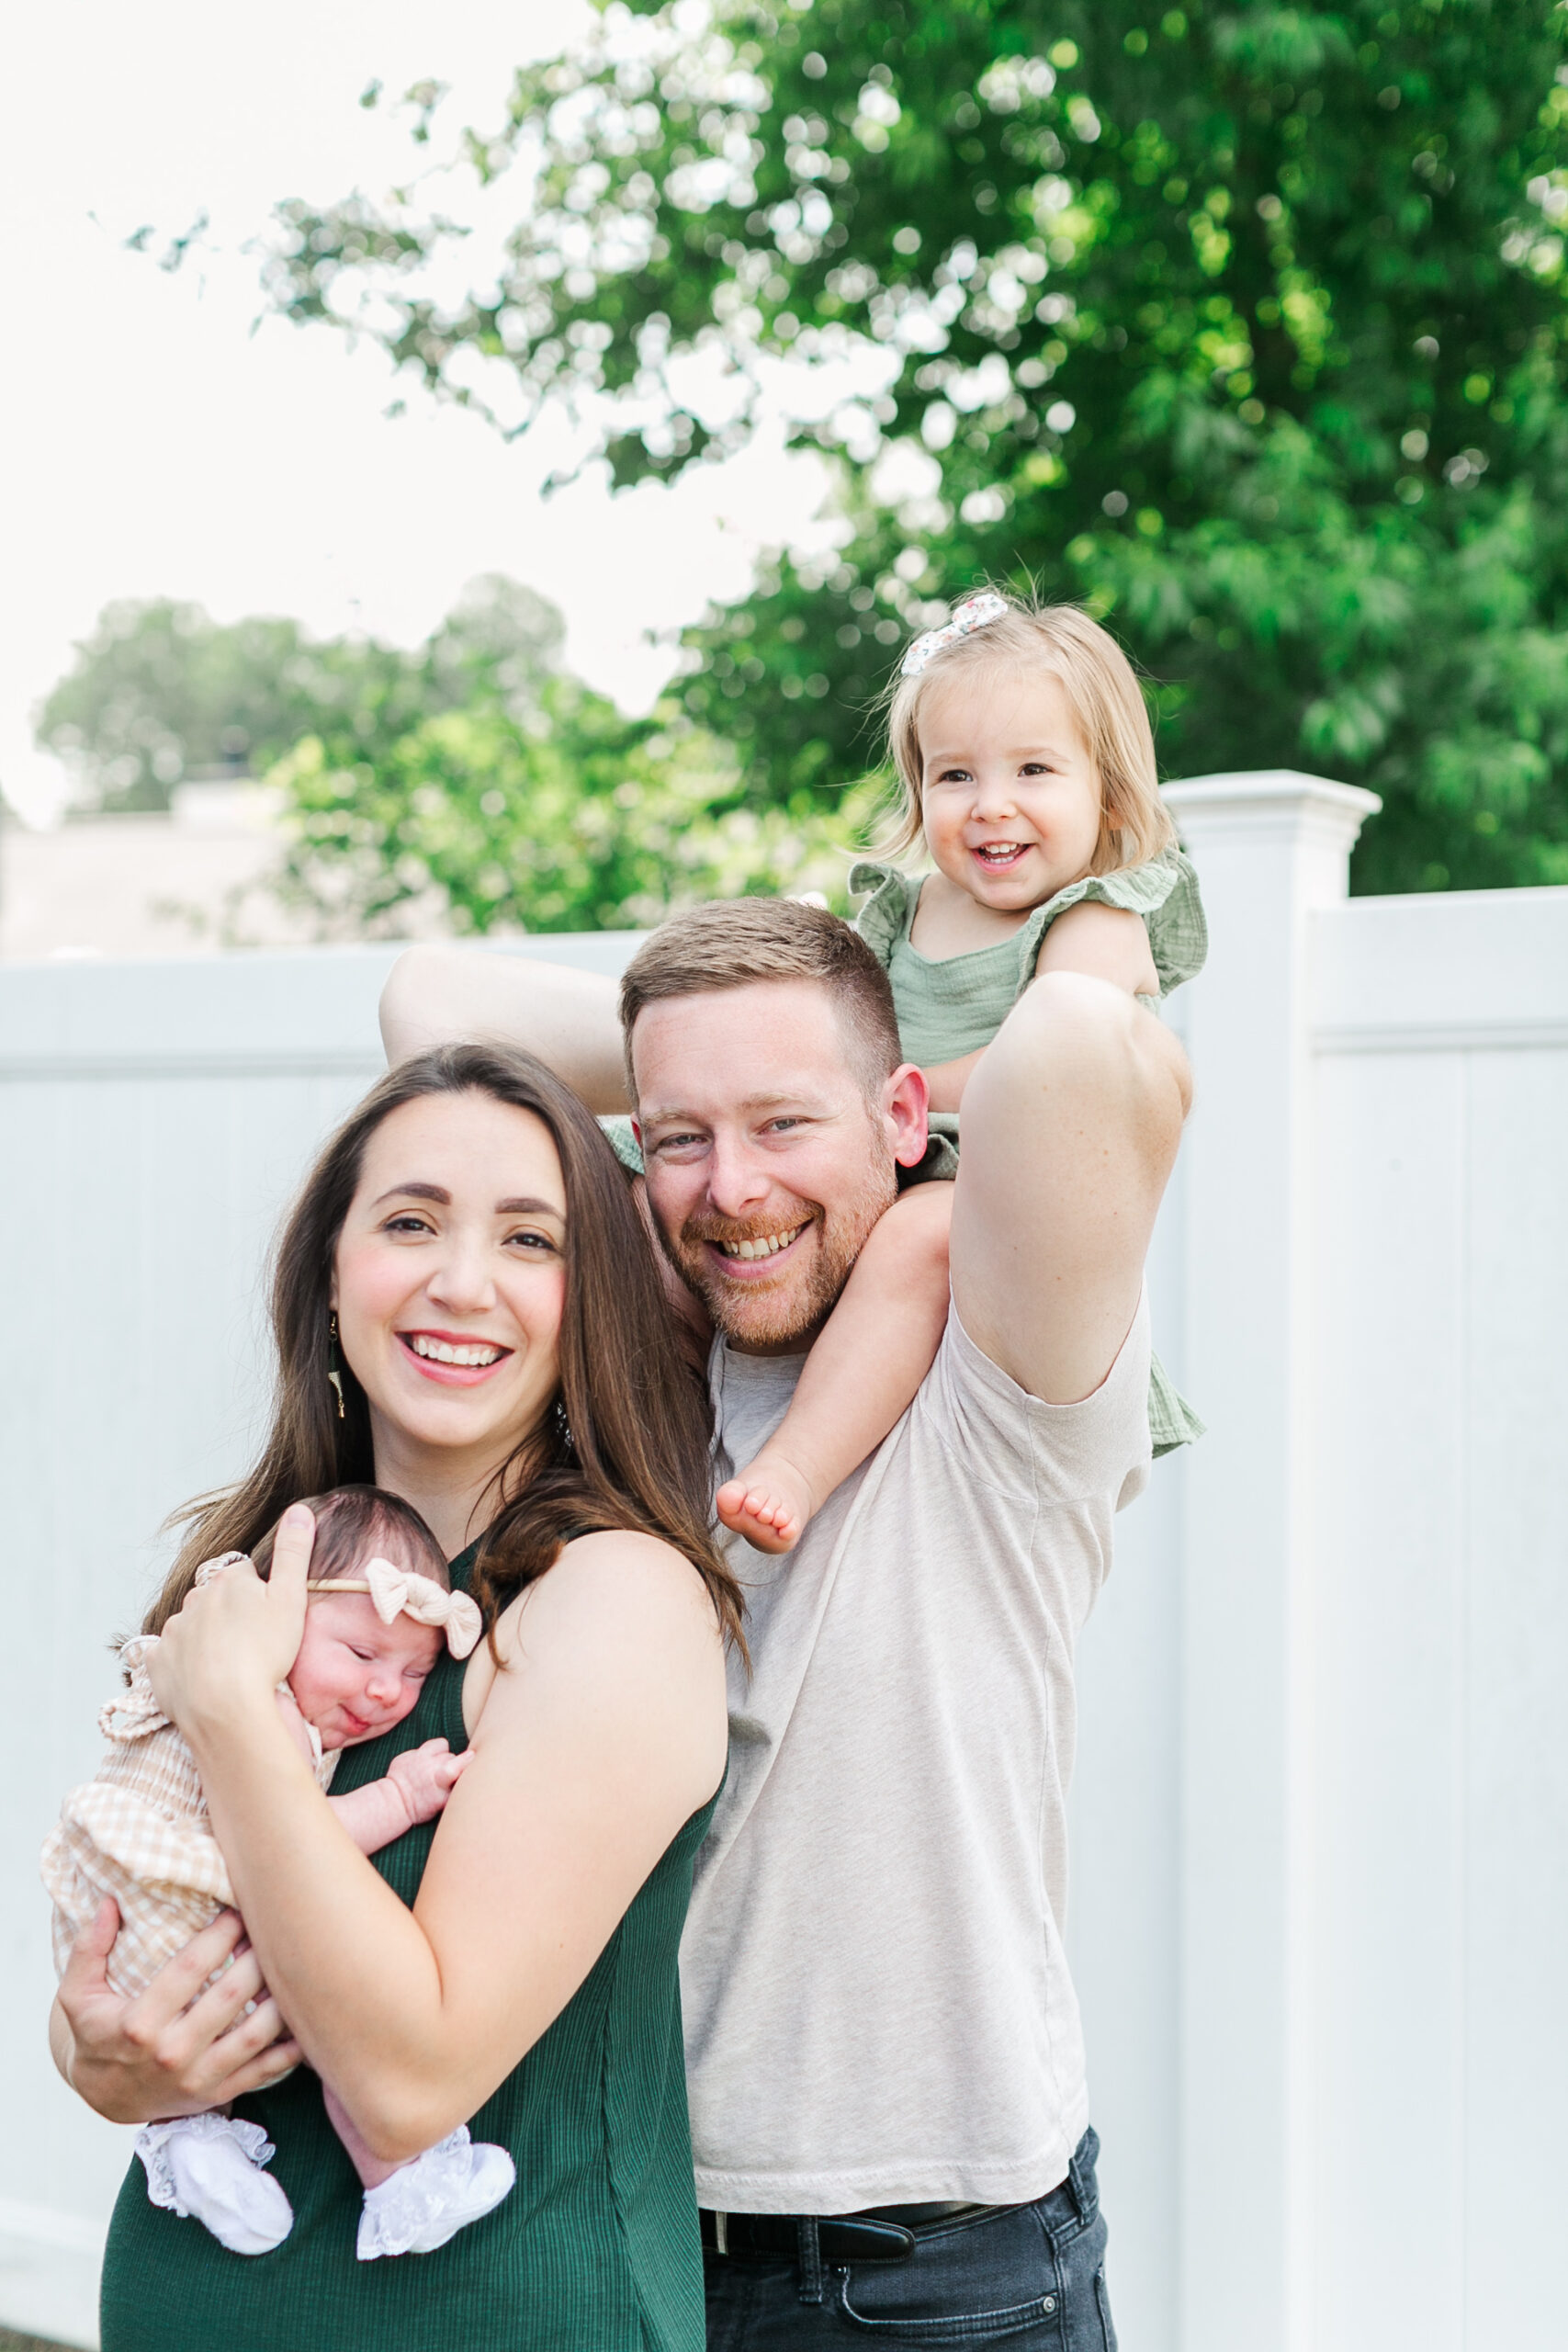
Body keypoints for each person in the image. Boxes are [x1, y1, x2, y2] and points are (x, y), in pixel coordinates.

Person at [381, 888, 1191, 2346]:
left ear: (899, 1112)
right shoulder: (633, 1390)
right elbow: (426, 1002)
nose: (733, 1190)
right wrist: (724, 1066)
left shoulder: (993, 1379)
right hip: (612, 2235)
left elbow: (1075, 1038)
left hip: (930, 2272)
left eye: (783, 1126)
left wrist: (902, 1045)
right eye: (678, 1137)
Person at [51, 1043, 742, 2352]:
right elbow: (139, 1878)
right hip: (193, 2305)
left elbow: (412, 2076)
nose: (460, 1281)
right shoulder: (246, 1571)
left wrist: (238, 1717)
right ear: (327, 1267)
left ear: (589, 1298)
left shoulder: (610, 1602)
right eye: (410, 1220)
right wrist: (94, 2050)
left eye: (530, 1239)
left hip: (506, 2315)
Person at [380, 591, 1204, 1555]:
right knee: (643, 1211)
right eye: (953, 775)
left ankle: (796, 1467)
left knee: (912, 1246)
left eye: (1033, 769)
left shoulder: (1097, 913)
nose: (990, 804)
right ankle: (653, 1453)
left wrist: (862, 1093)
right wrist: (759, 1044)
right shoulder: (912, 907)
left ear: (1107, 792)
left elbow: (1049, 1065)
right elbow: (423, 1004)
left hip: (978, 1192)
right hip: (875, 1147)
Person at [43, 1484, 523, 2264]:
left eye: (413, 1673)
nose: (382, 1691)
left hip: (136, 1947)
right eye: (361, 1654)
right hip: (169, 1911)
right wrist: (398, 1795)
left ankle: (194, 2139)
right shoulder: (253, 1705)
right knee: (337, 1985)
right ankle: (397, 2180)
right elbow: (296, 1845)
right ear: (278, 1616)